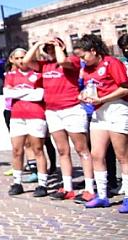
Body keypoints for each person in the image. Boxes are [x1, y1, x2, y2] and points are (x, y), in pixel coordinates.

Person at [24, 37, 95, 202]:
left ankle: (90, 188)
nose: (50, 50)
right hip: (53, 111)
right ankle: (68, 187)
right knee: (62, 150)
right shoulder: (44, 65)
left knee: (81, 148)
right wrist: (37, 44)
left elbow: (63, 61)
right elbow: (27, 61)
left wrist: (58, 46)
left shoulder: (73, 61)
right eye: (47, 48)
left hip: (71, 108)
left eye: (52, 47)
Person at [75, 34, 128, 212]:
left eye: (83, 56)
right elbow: (88, 88)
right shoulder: (87, 69)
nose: (82, 60)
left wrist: (102, 98)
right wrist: (83, 96)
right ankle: (102, 195)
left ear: (93, 50)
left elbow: (124, 87)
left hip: (116, 108)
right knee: (97, 154)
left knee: (122, 155)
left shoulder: (112, 62)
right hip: (99, 111)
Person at [4, 48, 49, 197]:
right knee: (17, 150)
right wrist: (29, 93)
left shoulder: (37, 73)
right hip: (17, 116)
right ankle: (17, 182)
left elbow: (39, 95)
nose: (20, 61)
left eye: (23, 57)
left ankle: (42, 183)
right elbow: (8, 93)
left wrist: (19, 93)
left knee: (38, 150)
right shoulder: (11, 75)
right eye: (17, 58)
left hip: (36, 115)